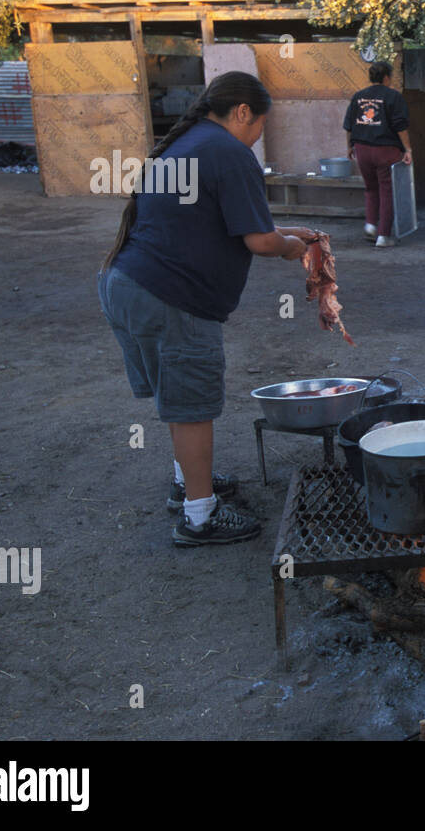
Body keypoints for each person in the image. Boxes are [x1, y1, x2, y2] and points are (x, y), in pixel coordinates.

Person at [98, 71, 316, 548]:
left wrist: (287, 234)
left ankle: (186, 482)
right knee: (193, 407)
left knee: (178, 399)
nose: (258, 137)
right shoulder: (231, 154)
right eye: (259, 125)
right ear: (242, 113)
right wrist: (290, 249)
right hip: (170, 298)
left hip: (127, 285)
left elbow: (235, 223)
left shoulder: (191, 144)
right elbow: (259, 241)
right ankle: (199, 517)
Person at [344, 61, 412, 247]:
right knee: (387, 191)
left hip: (362, 149)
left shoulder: (358, 96)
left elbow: (349, 124)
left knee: (370, 188)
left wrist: (350, 146)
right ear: (386, 77)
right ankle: (383, 235)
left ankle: (370, 225)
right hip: (386, 150)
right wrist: (408, 149)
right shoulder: (393, 97)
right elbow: (400, 125)